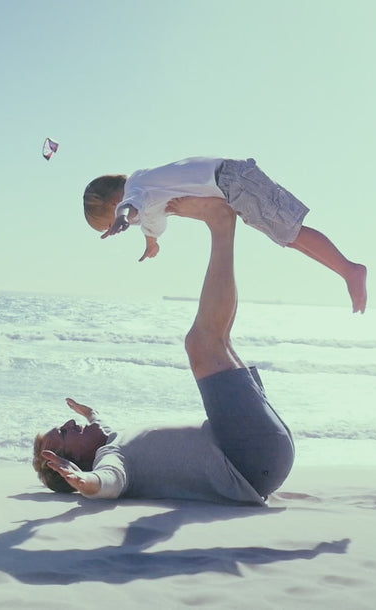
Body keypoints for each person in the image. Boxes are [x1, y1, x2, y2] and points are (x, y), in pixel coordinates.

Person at [33, 196, 295, 505]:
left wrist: (89, 413)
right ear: (76, 460)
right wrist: (82, 481)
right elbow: (107, 483)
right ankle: (222, 225)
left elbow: (99, 426)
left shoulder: (114, 439)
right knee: (202, 343)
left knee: (219, 340)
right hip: (247, 458)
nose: (70, 425)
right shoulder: (111, 458)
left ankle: (222, 226)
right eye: (64, 434)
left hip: (259, 450)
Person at [83, 157, 367, 313]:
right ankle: (346, 270)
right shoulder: (147, 188)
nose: (123, 223)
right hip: (232, 184)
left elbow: (131, 207)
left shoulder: (137, 188)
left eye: (109, 220)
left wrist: (121, 218)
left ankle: (350, 269)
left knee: (291, 233)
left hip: (232, 181)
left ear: (112, 202)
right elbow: (151, 217)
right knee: (288, 238)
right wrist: (151, 241)